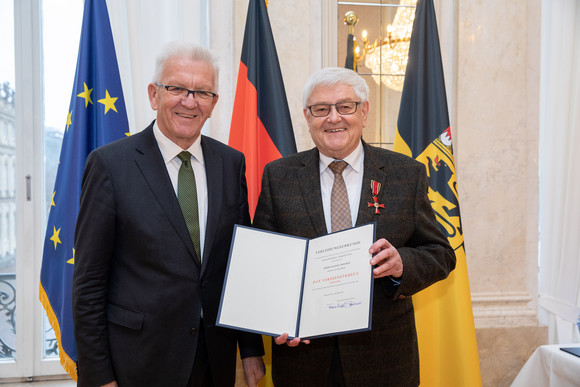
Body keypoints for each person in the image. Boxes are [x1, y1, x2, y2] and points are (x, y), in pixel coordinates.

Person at [72, 42, 265, 387]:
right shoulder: (110, 165)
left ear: (213, 104)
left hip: (214, 358)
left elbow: (241, 264)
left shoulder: (230, 163)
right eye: (176, 88)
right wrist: (98, 375)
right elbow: (88, 283)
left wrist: (250, 348)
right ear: (153, 94)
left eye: (202, 92)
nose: (189, 101)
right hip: (138, 361)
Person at [252, 67, 456, 387]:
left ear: (365, 111)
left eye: (345, 106)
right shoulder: (279, 177)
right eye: (321, 109)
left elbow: (441, 254)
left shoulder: (406, 174)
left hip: (384, 361)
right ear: (307, 117)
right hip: (303, 361)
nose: (334, 118)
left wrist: (403, 263)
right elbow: (262, 265)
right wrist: (276, 320)